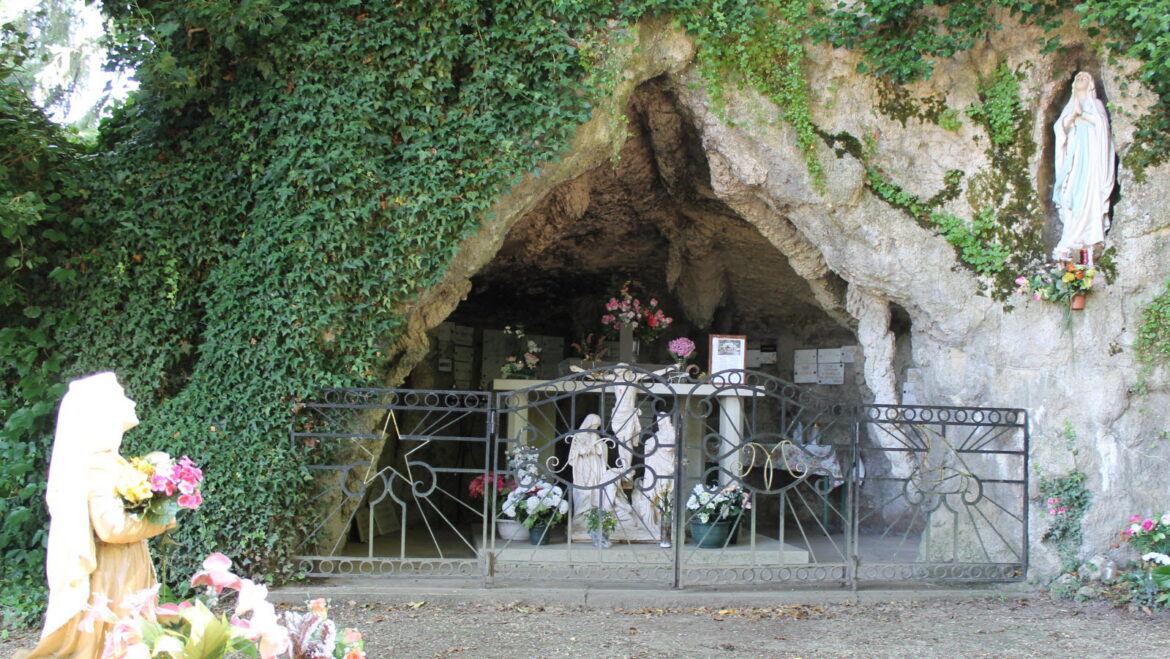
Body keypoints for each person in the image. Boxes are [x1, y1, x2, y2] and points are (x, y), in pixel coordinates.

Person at [17, 373, 174, 659]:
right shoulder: (99, 466)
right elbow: (111, 528)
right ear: (102, 410)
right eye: (122, 396)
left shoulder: (107, 461)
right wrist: (162, 518)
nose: (131, 400)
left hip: (122, 567)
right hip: (114, 574)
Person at [1052, 71, 1116, 264]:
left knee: (1090, 193)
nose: (1080, 80)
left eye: (1084, 78)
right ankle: (1072, 236)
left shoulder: (1096, 105)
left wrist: (1085, 115)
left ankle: (1089, 235)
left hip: (1092, 158)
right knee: (1070, 191)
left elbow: (1103, 127)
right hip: (1075, 154)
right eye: (1078, 78)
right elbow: (1059, 129)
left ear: (1090, 84)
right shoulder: (1070, 105)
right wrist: (1072, 117)